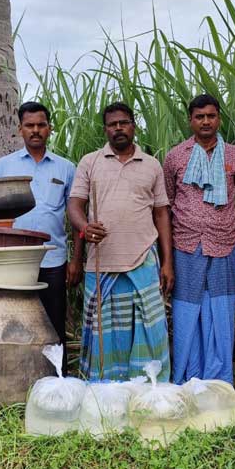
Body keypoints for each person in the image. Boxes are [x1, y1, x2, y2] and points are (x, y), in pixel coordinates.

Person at [68, 102, 173, 381]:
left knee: (149, 329)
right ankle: (105, 390)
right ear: (105, 129)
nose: (118, 128)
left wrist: (168, 263)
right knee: (105, 333)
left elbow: (161, 213)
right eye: (112, 124)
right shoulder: (90, 162)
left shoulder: (151, 165)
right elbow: (75, 206)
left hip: (143, 259)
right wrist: (84, 227)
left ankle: (149, 389)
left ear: (133, 126)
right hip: (102, 264)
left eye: (124, 123)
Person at [163, 94, 235, 384]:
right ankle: (187, 379)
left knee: (221, 311)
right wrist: (166, 259)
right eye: (199, 116)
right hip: (185, 245)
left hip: (225, 244)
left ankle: (219, 381)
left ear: (219, 119)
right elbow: (165, 206)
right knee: (187, 311)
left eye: (211, 116)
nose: (205, 121)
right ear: (190, 120)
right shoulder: (175, 156)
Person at [0, 101, 83, 374]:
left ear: (50, 129)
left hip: (53, 259)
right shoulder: (3, 167)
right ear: (19, 129)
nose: (35, 130)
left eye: (41, 125)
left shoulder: (66, 168)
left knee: (53, 325)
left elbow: (77, 216)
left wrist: (75, 261)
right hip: (14, 260)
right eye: (29, 125)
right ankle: (16, 381)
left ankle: (58, 383)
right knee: (14, 322)